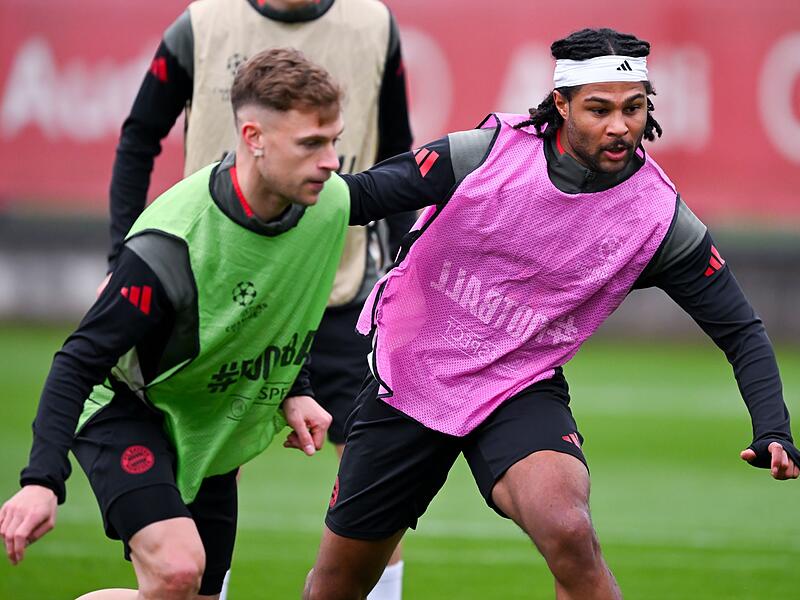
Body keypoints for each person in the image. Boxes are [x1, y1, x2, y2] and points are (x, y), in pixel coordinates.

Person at [300, 28, 800, 600]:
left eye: (635, 108)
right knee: (337, 586)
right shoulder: (481, 154)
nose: (620, 126)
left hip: (518, 384)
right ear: (560, 105)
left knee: (569, 530)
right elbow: (357, 198)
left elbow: (740, 328)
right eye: (599, 109)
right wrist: (274, 188)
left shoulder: (658, 218)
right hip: (412, 376)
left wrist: (772, 427)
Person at [0, 48, 419, 600]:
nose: (331, 161)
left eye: (335, 141)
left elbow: (260, 310)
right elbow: (78, 360)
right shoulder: (170, 245)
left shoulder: (323, 206)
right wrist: (40, 482)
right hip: (129, 412)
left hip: (211, 425)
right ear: (254, 137)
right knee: (177, 570)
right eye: (311, 144)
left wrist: (296, 388)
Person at [106, 1, 415, 597]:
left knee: (374, 470)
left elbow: (399, 153)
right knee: (215, 457)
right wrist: (122, 256)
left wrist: (407, 274)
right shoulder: (202, 24)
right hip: (217, 293)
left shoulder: (374, 24)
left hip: (339, 286)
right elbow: (140, 134)